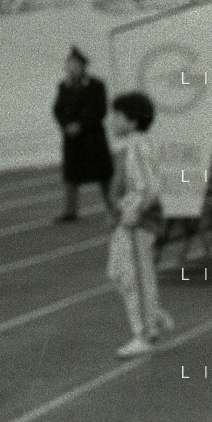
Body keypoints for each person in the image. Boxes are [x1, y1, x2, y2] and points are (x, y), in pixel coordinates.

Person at [105, 91, 173, 358]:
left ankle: (144, 333)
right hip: (127, 218)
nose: (112, 120)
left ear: (132, 122)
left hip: (138, 222)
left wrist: (133, 212)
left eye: (118, 116)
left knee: (135, 276)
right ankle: (152, 314)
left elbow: (149, 187)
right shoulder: (130, 146)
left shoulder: (138, 146)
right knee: (117, 272)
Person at [52, 46, 113, 222]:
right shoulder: (64, 86)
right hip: (72, 140)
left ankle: (113, 207)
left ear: (83, 66)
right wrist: (66, 125)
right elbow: (58, 109)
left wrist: (81, 125)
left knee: (103, 175)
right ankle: (70, 211)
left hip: (92, 138)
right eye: (70, 64)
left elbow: (100, 110)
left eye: (75, 64)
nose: (72, 68)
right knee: (71, 175)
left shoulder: (96, 85)